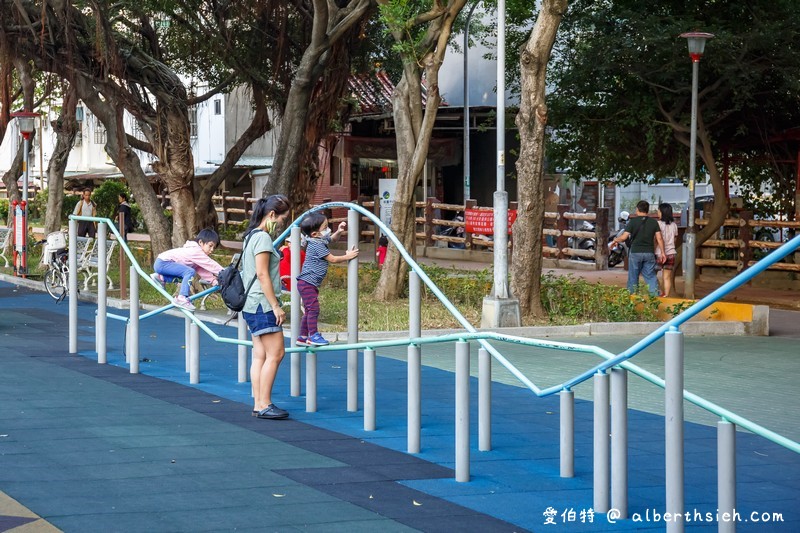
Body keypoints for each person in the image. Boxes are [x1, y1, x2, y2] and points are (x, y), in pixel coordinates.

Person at [241, 194, 292, 419]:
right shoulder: (262, 238)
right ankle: (264, 403)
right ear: (272, 215)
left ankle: (258, 402)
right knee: (276, 353)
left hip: (251, 303)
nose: (283, 223)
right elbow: (262, 274)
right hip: (262, 303)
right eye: (283, 219)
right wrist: (276, 306)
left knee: (260, 355)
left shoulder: (250, 236)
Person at [295, 213, 359, 346]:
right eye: (325, 227)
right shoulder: (316, 245)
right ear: (314, 234)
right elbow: (333, 259)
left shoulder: (319, 239)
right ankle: (313, 335)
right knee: (313, 309)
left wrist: (339, 231)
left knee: (309, 310)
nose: (327, 229)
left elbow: (332, 239)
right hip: (307, 282)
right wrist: (348, 256)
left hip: (308, 283)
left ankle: (302, 337)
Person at [151, 228, 224, 311]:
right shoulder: (196, 251)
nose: (212, 250)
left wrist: (214, 281)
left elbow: (201, 270)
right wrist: (225, 272)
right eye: (210, 246)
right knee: (189, 272)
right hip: (163, 262)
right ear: (200, 242)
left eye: (213, 247)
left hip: (162, 263)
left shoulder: (196, 255)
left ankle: (161, 278)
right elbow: (210, 264)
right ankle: (182, 298)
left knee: (186, 277)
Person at [610, 200, 666, 295]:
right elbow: (659, 238)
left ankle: (632, 297)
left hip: (635, 252)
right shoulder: (654, 222)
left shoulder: (632, 222)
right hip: (649, 252)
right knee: (650, 276)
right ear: (647, 210)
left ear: (637, 209)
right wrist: (663, 253)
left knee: (633, 276)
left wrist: (615, 240)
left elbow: (624, 237)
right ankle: (655, 297)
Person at [656, 203, 678, 297]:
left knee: (651, 274)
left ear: (662, 212)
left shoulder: (658, 224)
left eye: (658, 210)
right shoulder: (674, 225)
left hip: (659, 253)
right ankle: (666, 296)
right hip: (671, 253)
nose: (657, 212)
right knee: (667, 277)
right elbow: (675, 239)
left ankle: (659, 293)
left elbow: (656, 239)